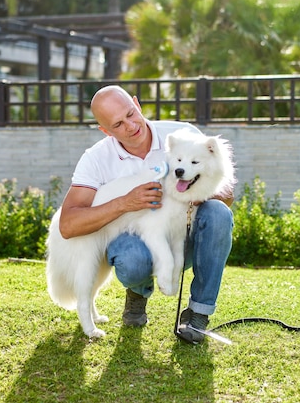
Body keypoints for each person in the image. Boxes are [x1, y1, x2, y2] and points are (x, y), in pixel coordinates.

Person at [58, 85, 234, 344]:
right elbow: (68, 225)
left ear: (137, 104)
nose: (130, 126)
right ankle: (137, 294)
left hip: (182, 235)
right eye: (118, 124)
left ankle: (198, 314)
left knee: (218, 212)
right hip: (132, 241)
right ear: (106, 131)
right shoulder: (96, 158)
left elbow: (227, 191)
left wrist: (196, 194)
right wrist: (125, 203)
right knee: (132, 260)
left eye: (130, 114)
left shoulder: (182, 135)